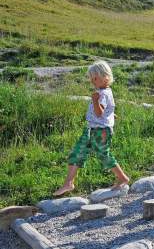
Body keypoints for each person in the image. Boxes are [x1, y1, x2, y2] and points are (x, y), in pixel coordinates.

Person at [53, 61, 129, 196]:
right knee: (77, 151)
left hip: (101, 131)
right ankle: (68, 183)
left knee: (102, 154)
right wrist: (111, 115)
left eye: (95, 78)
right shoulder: (104, 91)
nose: (92, 81)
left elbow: (99, 113)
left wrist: (94, 100)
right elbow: (106, 110)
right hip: (91, 129)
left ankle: (122, 178)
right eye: (91, 78)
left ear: (105, 77)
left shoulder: (102, 94)